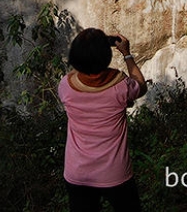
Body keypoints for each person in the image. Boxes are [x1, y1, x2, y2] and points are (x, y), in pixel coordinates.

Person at [58, 28, 148, 212]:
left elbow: (84, 83)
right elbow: (141, 86)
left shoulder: (65, 86)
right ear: (106, 56)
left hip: (78, 173)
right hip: (114, 173)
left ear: (75, 57)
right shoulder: (121, 86)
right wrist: (127, 54)